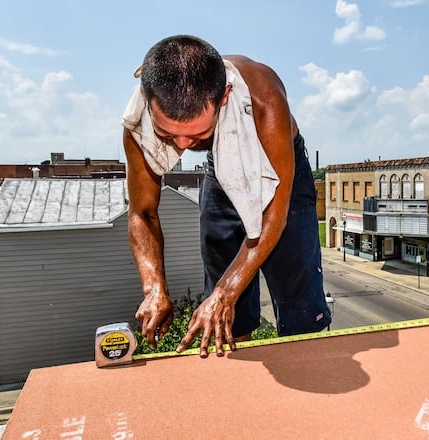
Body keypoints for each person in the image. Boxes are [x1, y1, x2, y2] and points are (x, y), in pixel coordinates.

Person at [121, 35, 331, 358]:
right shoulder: (138, 123)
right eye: (168, 135)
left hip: (277, 172)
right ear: (149, 103)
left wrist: (226, 291)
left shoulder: (266, 103)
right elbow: (142, 213)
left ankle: (307, 359)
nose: (184, 145)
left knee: (299, 303)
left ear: (224, 97)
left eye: (198, 135)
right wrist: (154, 287)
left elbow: (273, 217)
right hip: (220, 169)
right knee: (222, 313)